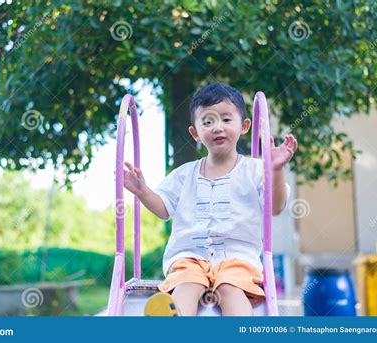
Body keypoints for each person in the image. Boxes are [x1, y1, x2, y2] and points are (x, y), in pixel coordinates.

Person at [123, 82, 298, 316]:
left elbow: (275, 207)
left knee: (230, 288)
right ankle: (174, 323)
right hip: (189, 257)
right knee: (186, 283)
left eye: (226, 119)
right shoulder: (185, 174)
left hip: (237, 259)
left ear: (244, 126)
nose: (217, 127)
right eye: (207, 121)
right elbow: (164, 209)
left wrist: (275, 169)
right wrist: (142, 190)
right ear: (195, 133)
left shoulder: (256, 170)